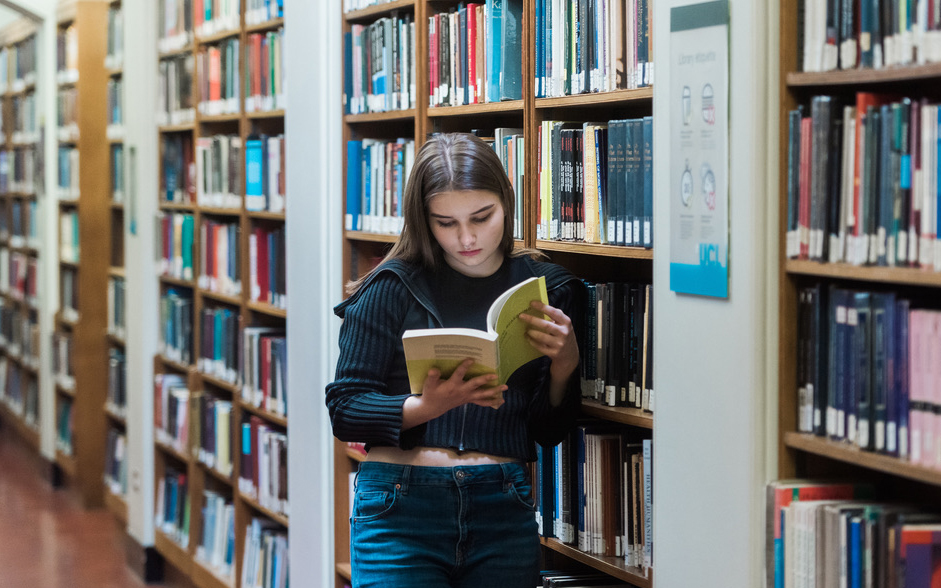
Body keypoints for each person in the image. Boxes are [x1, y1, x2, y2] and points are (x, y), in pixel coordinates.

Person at [326, 132, 586, 588]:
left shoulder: (549, 289)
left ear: (506, 201)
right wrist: (428, 406)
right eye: (446, 223)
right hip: (400, 507)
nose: (466, 238)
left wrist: (565, 365)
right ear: (423, 221)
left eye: (482, 217)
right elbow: (345, 410)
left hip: (502, 507)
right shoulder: (390, 286)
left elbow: (548, 431)